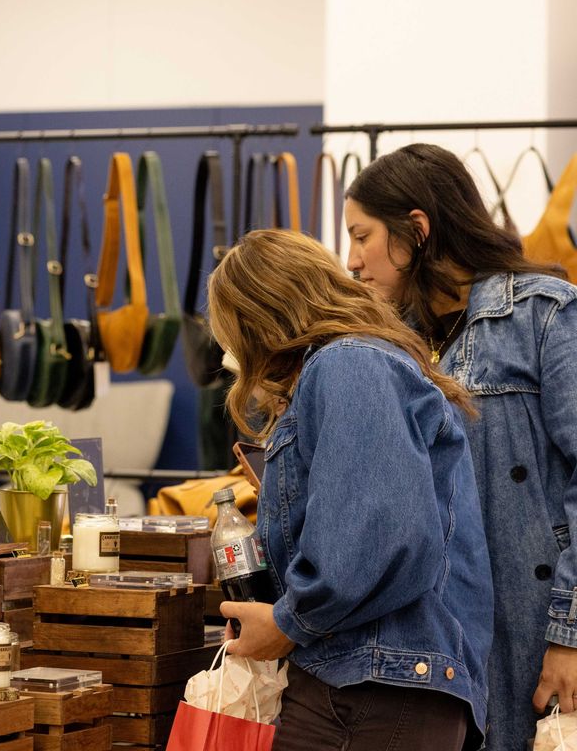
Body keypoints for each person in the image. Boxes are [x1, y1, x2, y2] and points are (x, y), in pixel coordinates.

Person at [208, 230, 494, 750]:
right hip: (379, 679)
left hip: (370, 685)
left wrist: (287, 622)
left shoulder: (347, 365)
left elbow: (376, 534)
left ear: (258, 319)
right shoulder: (361, 362)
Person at [344, 143, 577, 751]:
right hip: (437, 644)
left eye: (362, 236)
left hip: (534, 627)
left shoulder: (544, 316)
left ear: (416, 230)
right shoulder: (394, 345)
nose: (352, 261)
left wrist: (569, 635)